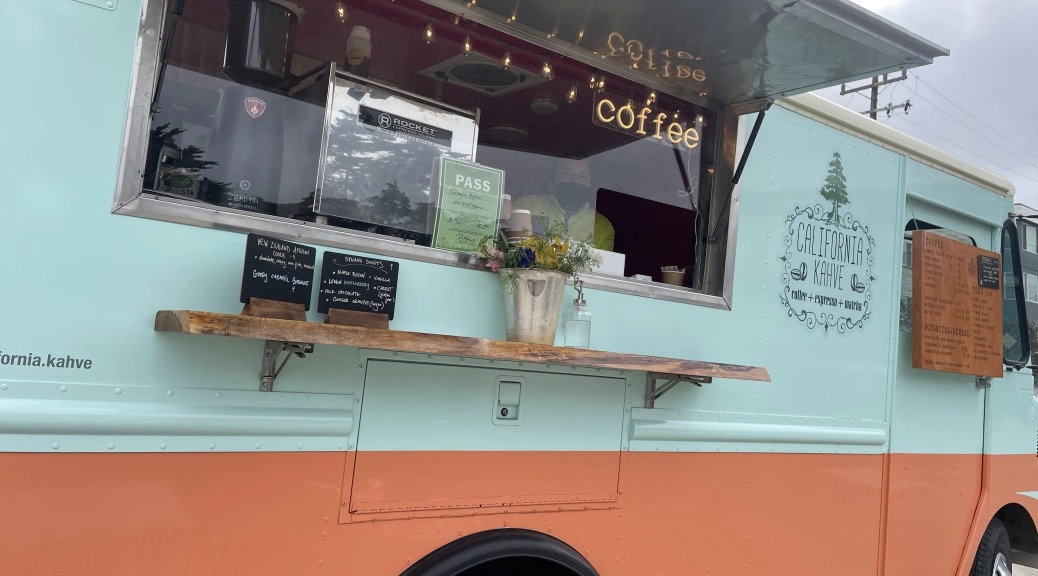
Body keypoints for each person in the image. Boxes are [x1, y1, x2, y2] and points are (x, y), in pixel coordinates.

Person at [512, 157, 615, 251]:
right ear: (551, 184)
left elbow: (603, 264)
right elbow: (512, 252)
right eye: (567, 174)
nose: (576, 180)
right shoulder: (526, 206)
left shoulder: (602, 226)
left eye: (583, 176)